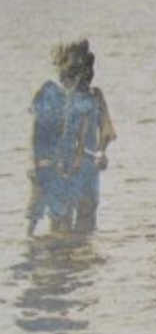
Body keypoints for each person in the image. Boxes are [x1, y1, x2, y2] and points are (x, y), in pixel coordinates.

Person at [27, 39, 116, 235]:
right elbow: (38, 133)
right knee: (63, 220)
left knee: (80, 219)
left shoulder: (94, 95)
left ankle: (78, 261)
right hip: (61, 166)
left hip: (85, 165)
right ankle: (64, 260)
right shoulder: (51, 93)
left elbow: (107, 131)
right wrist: (38, 165)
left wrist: (101, 151)